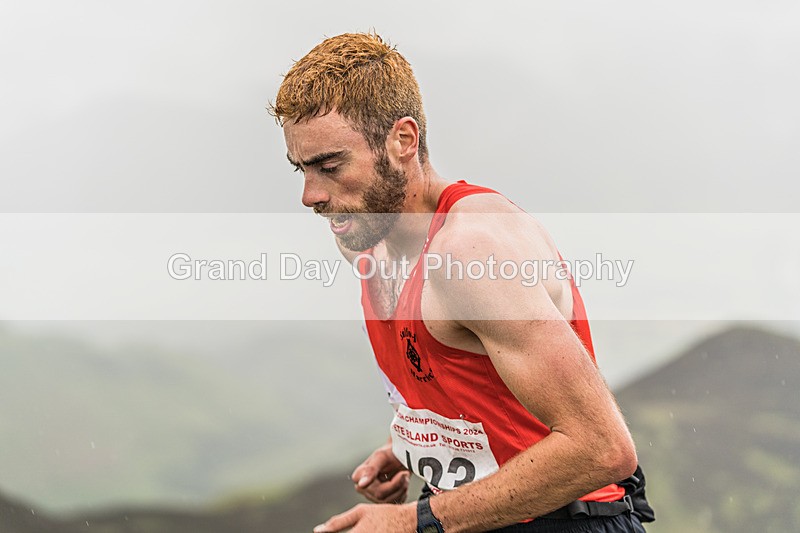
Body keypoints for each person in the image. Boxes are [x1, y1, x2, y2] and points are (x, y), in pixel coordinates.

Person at [269, 32, 654, 533]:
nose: (310, 195)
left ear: (403, 141)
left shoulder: (470, 252)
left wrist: (410, 521)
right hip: (479, 515)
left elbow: (602, 448)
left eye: (329, 166)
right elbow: (473, 380)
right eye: (301, 169)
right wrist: (412, 445)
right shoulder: (365, 235)